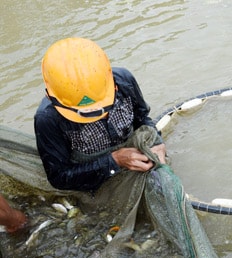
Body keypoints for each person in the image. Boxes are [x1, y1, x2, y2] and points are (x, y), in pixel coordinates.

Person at [34, 37, 166, 192]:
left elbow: (142, 118)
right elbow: (60, 177)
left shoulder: (124, 80)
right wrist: (114, 161)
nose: (95, 115)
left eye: (102, 107)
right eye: (83, 113)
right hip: (94, 182)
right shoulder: (47, 120)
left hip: (136, 160)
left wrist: (157, 143)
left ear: (112, 81)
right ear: (50, 96)